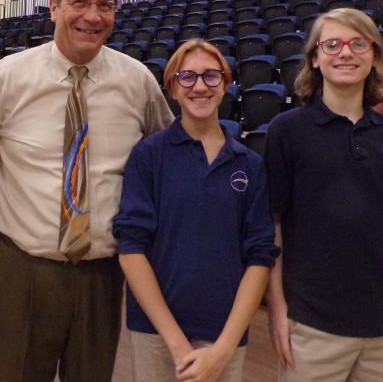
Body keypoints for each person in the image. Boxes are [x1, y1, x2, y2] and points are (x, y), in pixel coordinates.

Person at [0, 0, 173, 382]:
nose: (93, 16)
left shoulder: (137, 81)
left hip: (102, 272)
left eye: (105, 5)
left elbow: (169, 154)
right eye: (79, 2)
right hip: (23, 268)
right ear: (54, 7)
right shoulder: (5, 78)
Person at [264, 8, 383, 382]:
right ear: (315, 58)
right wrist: (277, 310)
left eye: (358, 43)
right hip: (313, 324)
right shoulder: (286, 131)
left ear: (374, 56)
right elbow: (272, 225)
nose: (345, 52)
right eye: (332, 44)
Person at [114, 40, 278, 382]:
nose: (200, 86)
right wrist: (176, 344)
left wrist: (224, 347)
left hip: (224, 333)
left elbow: (260, 257)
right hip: (155, 333)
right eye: (187, 77)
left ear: (227, 83)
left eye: (210, 76)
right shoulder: (148, 156)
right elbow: (131, 250)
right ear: (172, 87)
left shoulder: (251, 165)